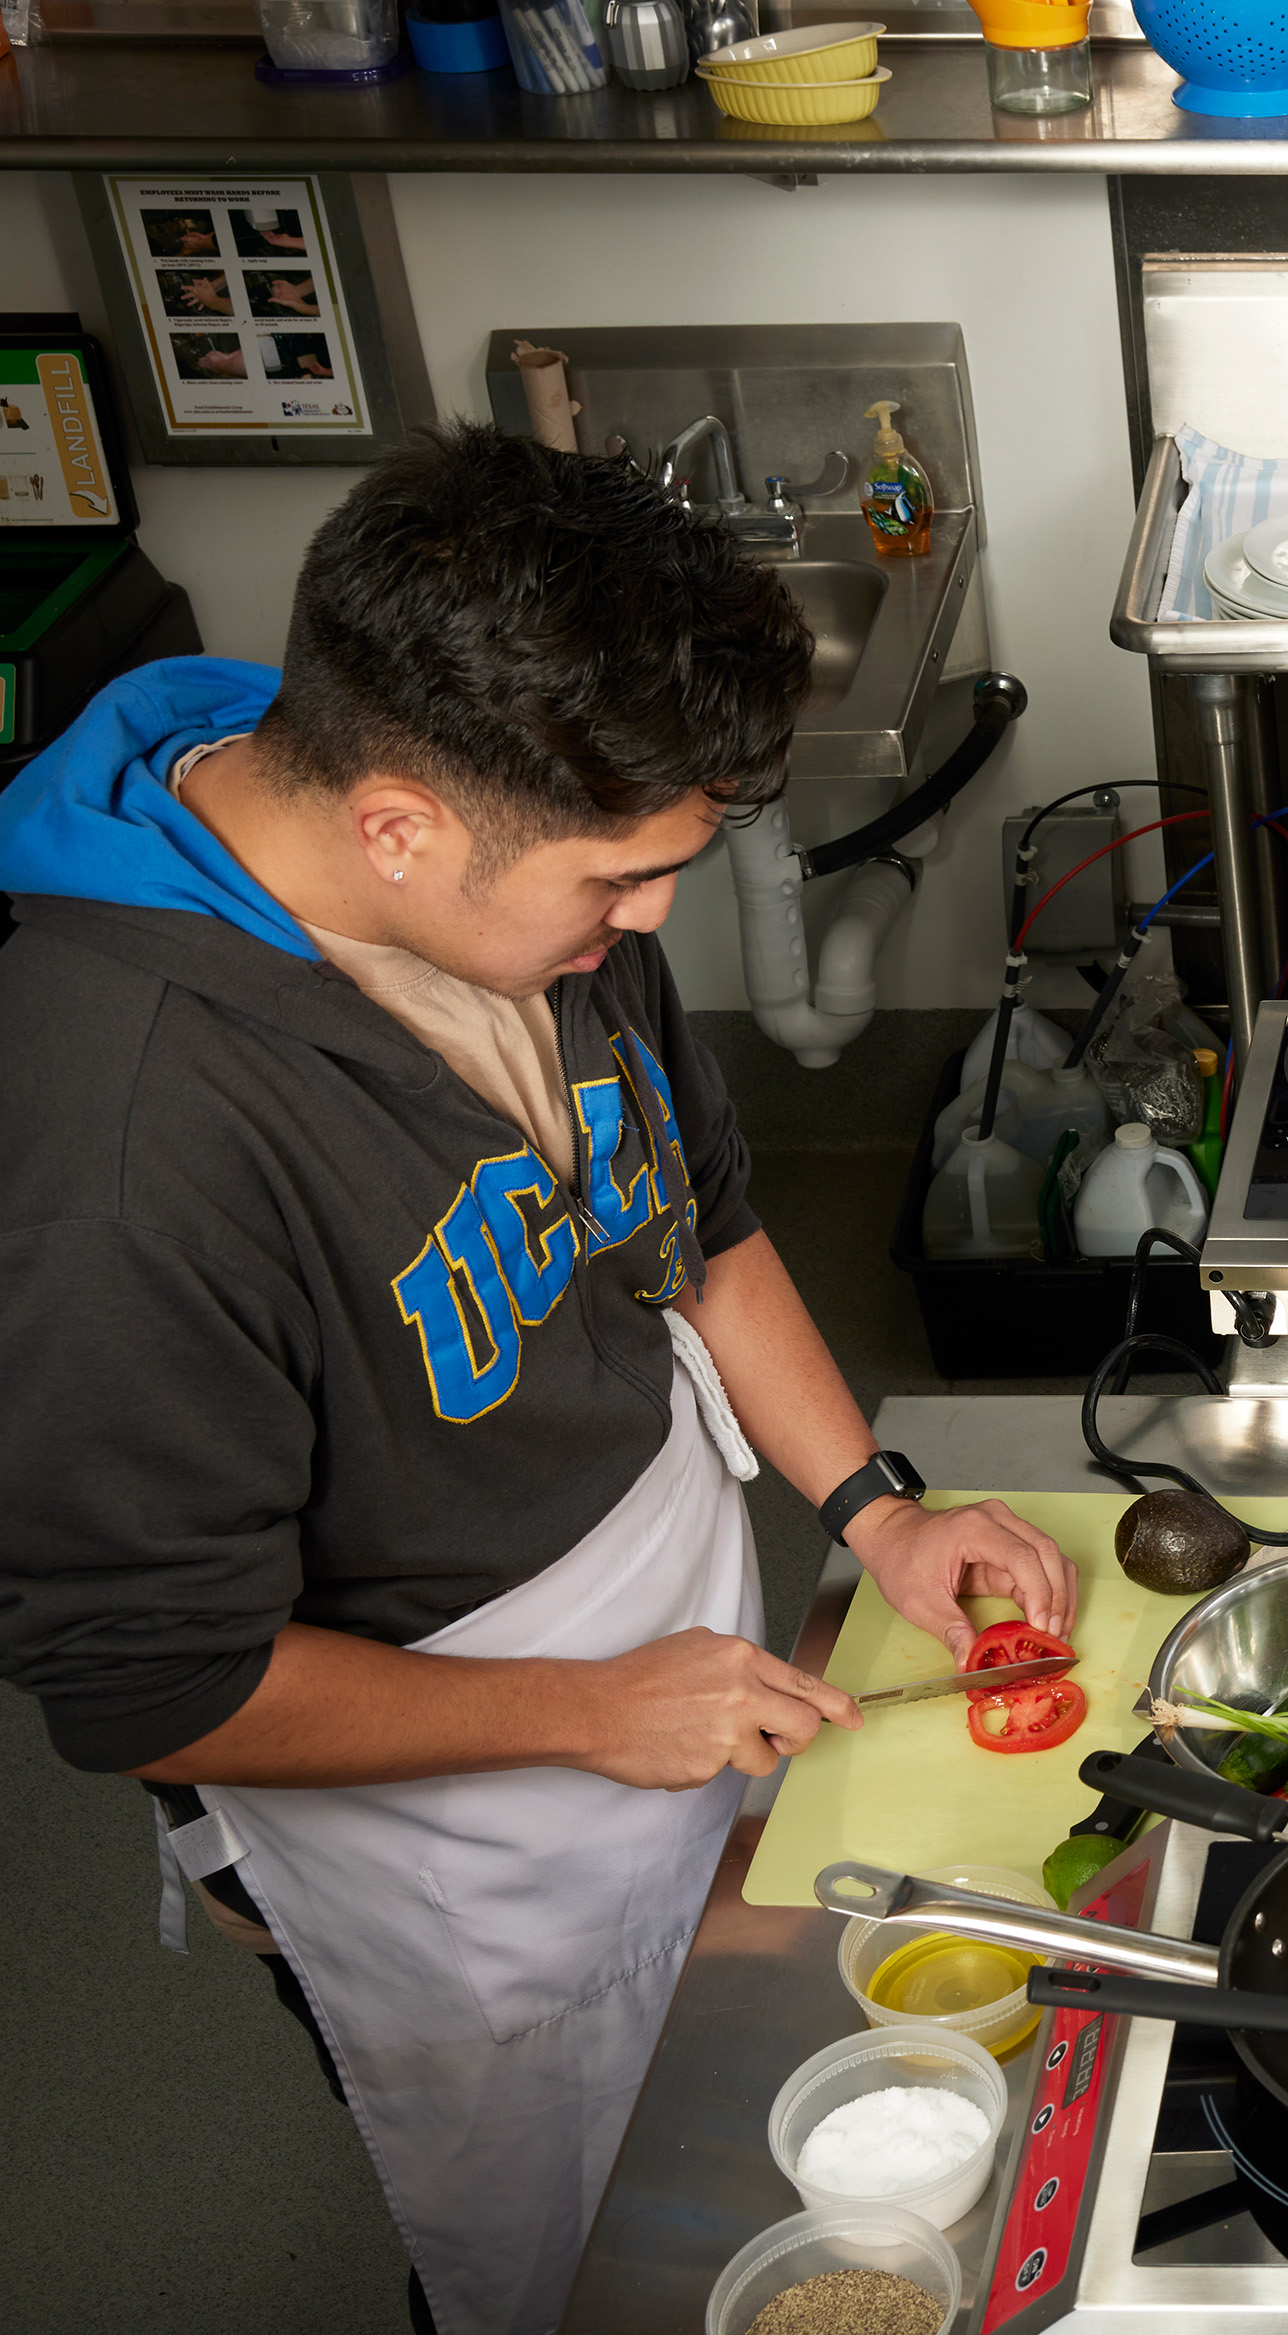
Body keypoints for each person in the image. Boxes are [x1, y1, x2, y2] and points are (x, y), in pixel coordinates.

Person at [0, 425, 1075, 2335]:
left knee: (732, 2116)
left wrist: (872, 1508)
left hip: (662, 1665)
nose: (652, 923)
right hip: (439, 1813)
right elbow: (158, 1682)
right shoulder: (130, 1148)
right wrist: (585, 1711)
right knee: (569, 2248)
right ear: (400, 823)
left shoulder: (520, 861)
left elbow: (708, 1228)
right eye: (627, 880)